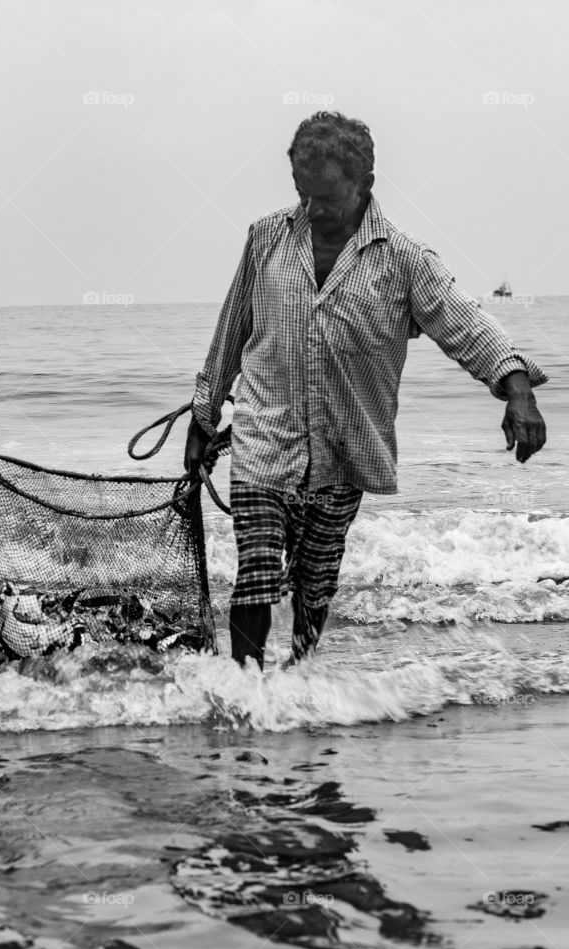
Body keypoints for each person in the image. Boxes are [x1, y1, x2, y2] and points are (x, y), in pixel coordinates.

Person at [185, 111, 547, 671]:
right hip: (263, 438)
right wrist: (202, 419)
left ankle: (299, 682)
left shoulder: (404, 261)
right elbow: (229, 334)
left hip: (346, 449)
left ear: (365, 186)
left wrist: (517, 390)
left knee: (316, 584)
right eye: (304, 195)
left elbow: (465, 324)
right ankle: (244, 698)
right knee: (255, 568)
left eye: (327, 197)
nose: (313, 209)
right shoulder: (265, 240)